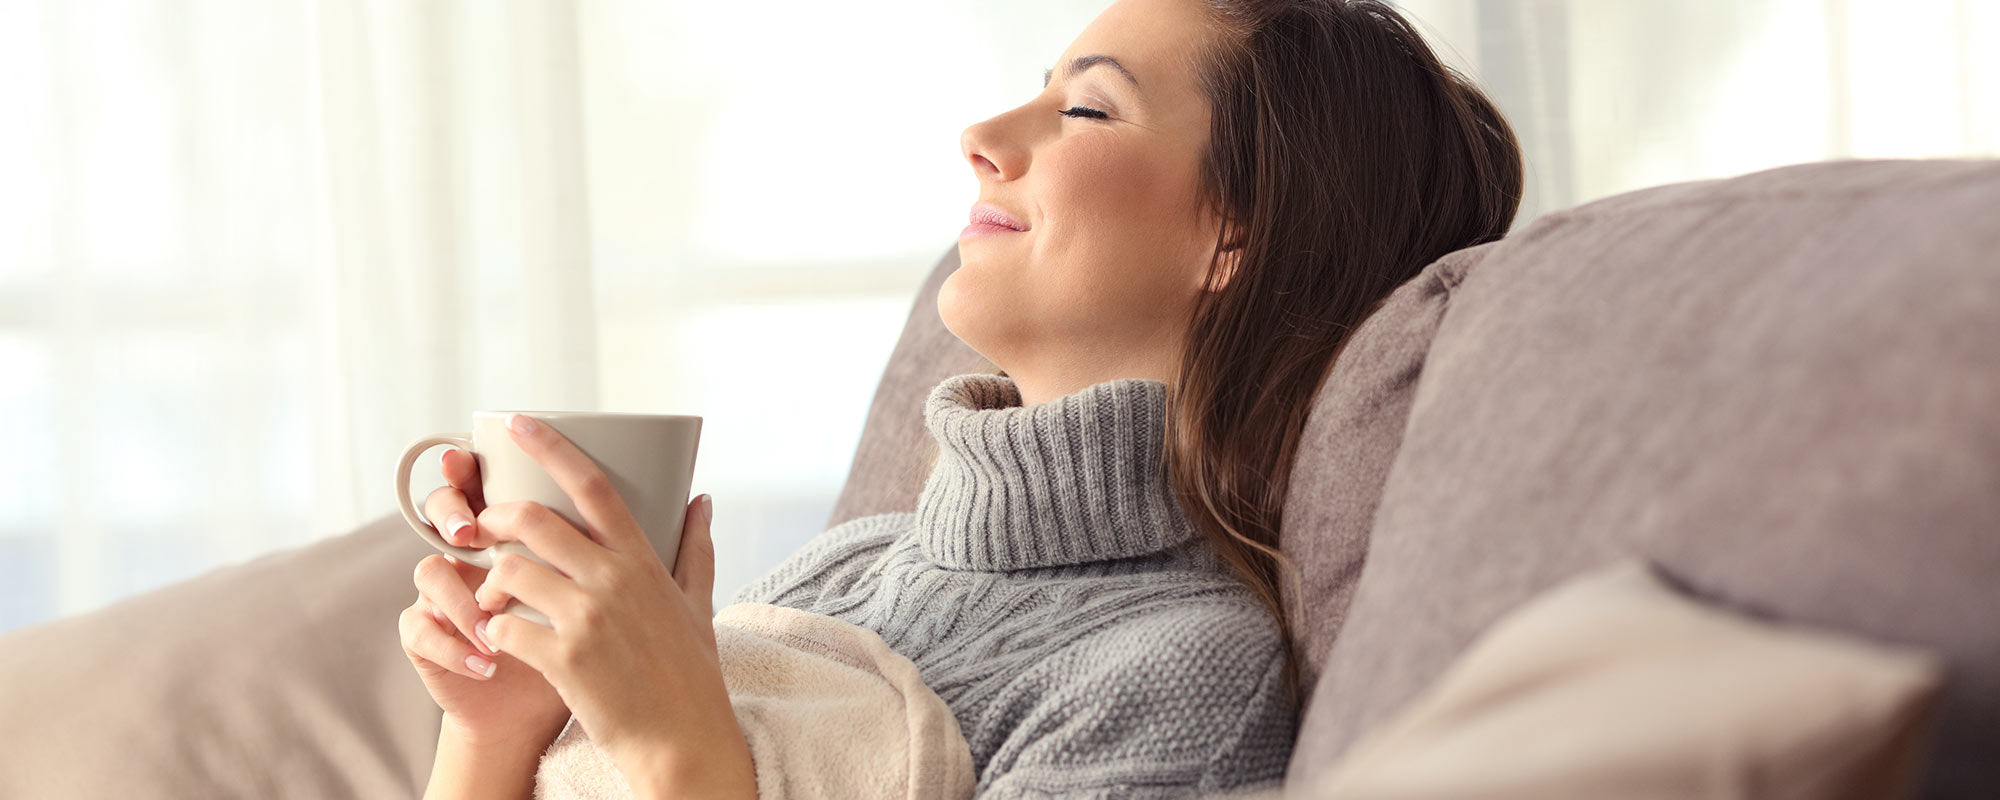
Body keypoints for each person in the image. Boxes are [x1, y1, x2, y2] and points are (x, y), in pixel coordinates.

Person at [399, 0, 1523, 796]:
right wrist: (493, 726)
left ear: (1239, 229)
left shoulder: (1178, 672)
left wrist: (677, 745)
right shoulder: (841, 570)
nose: (981, 141)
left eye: (1084, 113)